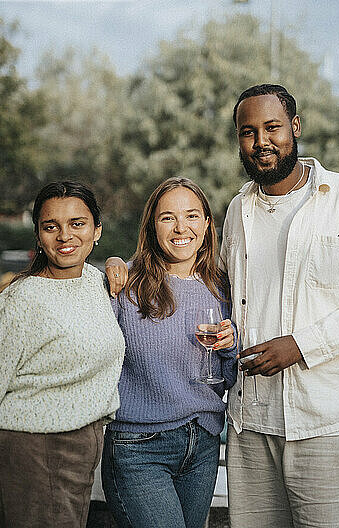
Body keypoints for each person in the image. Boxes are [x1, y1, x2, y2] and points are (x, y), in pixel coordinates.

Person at [220, 83, 339, 528]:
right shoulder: (238, 210)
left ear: (295, 127)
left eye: (272, 128)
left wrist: (302, 345)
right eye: (247, 132)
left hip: (333, 423)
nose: (261, 143)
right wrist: (123, 266)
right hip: (251, 425)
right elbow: (213, 288)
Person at [0, 181, 125, 528]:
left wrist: (118, 260)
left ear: (97, 231)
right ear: (38, 235)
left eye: (77, 223)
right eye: (51, 226)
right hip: (30, 451)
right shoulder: (22, 300)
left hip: (80, 451)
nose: (65, 236)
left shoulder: (95, 281)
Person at [102, 176, 237, 528]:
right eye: (167, 218)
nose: (181, 227)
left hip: (203, 442)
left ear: (207, 225)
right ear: (151, 226)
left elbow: (231, 377)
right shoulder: (124, 284)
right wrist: (114, 261)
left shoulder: (223, 286)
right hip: (138, 447)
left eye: (192, 216)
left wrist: (230, 344)